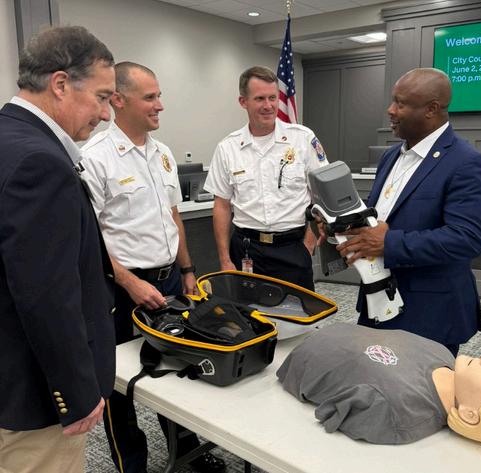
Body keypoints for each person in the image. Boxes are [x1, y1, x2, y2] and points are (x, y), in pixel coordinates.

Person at [80, 62, 224, 473]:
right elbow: (89, 237)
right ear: (118, 100)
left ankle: (188, 450)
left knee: (177, 368)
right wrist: (129, 282)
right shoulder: (95, 158)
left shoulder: (162, 153)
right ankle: (132, 464)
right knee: (119, 382)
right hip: (120, 289)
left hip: (170, 281)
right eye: (150, 97)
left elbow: (172, 217)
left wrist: (189, 270)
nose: (160, 105)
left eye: (159, 95)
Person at [0, 26, 116, 473]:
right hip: (33, 395)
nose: (105, 113)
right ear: (61, 83)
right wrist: (76, 394)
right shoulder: (40, 161)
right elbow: (47, 296)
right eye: (102, 97)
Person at [332, 68, 481, 356]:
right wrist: (342, 226)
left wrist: (389, 242)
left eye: (400, 103)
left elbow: (467, 239)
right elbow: (381, 216)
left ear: (431, 109)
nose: (390, 110)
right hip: (378, 301)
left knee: (421, 385)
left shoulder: (468, 163)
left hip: (429, 313)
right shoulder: (390, 156)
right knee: (371, 375)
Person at [277, 323, 481, 445]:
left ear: (470, 414)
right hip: (318, 331)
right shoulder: (442, 355)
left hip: (301, 357)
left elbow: (329, 415)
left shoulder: (397, 412)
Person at [204, 66, 328, 291]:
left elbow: (320, 195)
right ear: (243, 102)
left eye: (273, 97)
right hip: (246, 251)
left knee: (297, 312)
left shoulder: (302, 139)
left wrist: (309, 242)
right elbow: (221, 205)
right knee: (246, 312)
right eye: (260, 98)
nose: (268, 105)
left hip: (292, 248)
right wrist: (224, 259)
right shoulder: (228, 148)